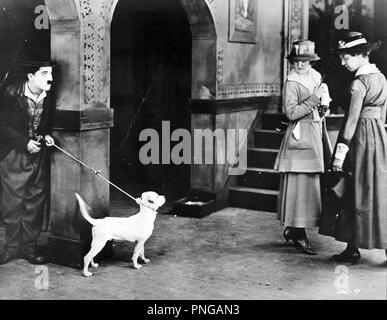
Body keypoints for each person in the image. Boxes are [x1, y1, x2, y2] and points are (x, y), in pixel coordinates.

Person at [330, 31, 387, 263]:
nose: (343, 62)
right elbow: (383, 115)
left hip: (360, 140)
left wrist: (338, 156)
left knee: (353, 189)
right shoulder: (381, 78)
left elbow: (351, 121)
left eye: (346, 57)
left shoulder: (359, 83)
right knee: (379, 190)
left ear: (360, 55)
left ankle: (352, 248)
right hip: (380, 139)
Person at [274, 40, 331, 255]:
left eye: (304, 61)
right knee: (301, 186)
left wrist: (323, 106)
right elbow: (291, 113)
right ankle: (297, 232)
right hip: (300, 136)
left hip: (315, 134)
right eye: (296, 61)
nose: (299, 65)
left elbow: (319, 106)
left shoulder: (316, 77)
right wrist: (314, 100)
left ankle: (295, 230)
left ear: (311, 62)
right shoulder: (291, 82)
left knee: (312, 187)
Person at [0, 55, 55, 265]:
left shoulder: (48, 96)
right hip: (14, 155)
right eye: (44, 74)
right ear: (30, 76)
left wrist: (48, 135)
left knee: (35, 201)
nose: (49, 79)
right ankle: (12, 248)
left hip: (38, 155)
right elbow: (2, 126)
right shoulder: (10, 93)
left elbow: (45, 125)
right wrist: (24, 143)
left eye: (51, 74)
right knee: (13, 203)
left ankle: (29, 249)